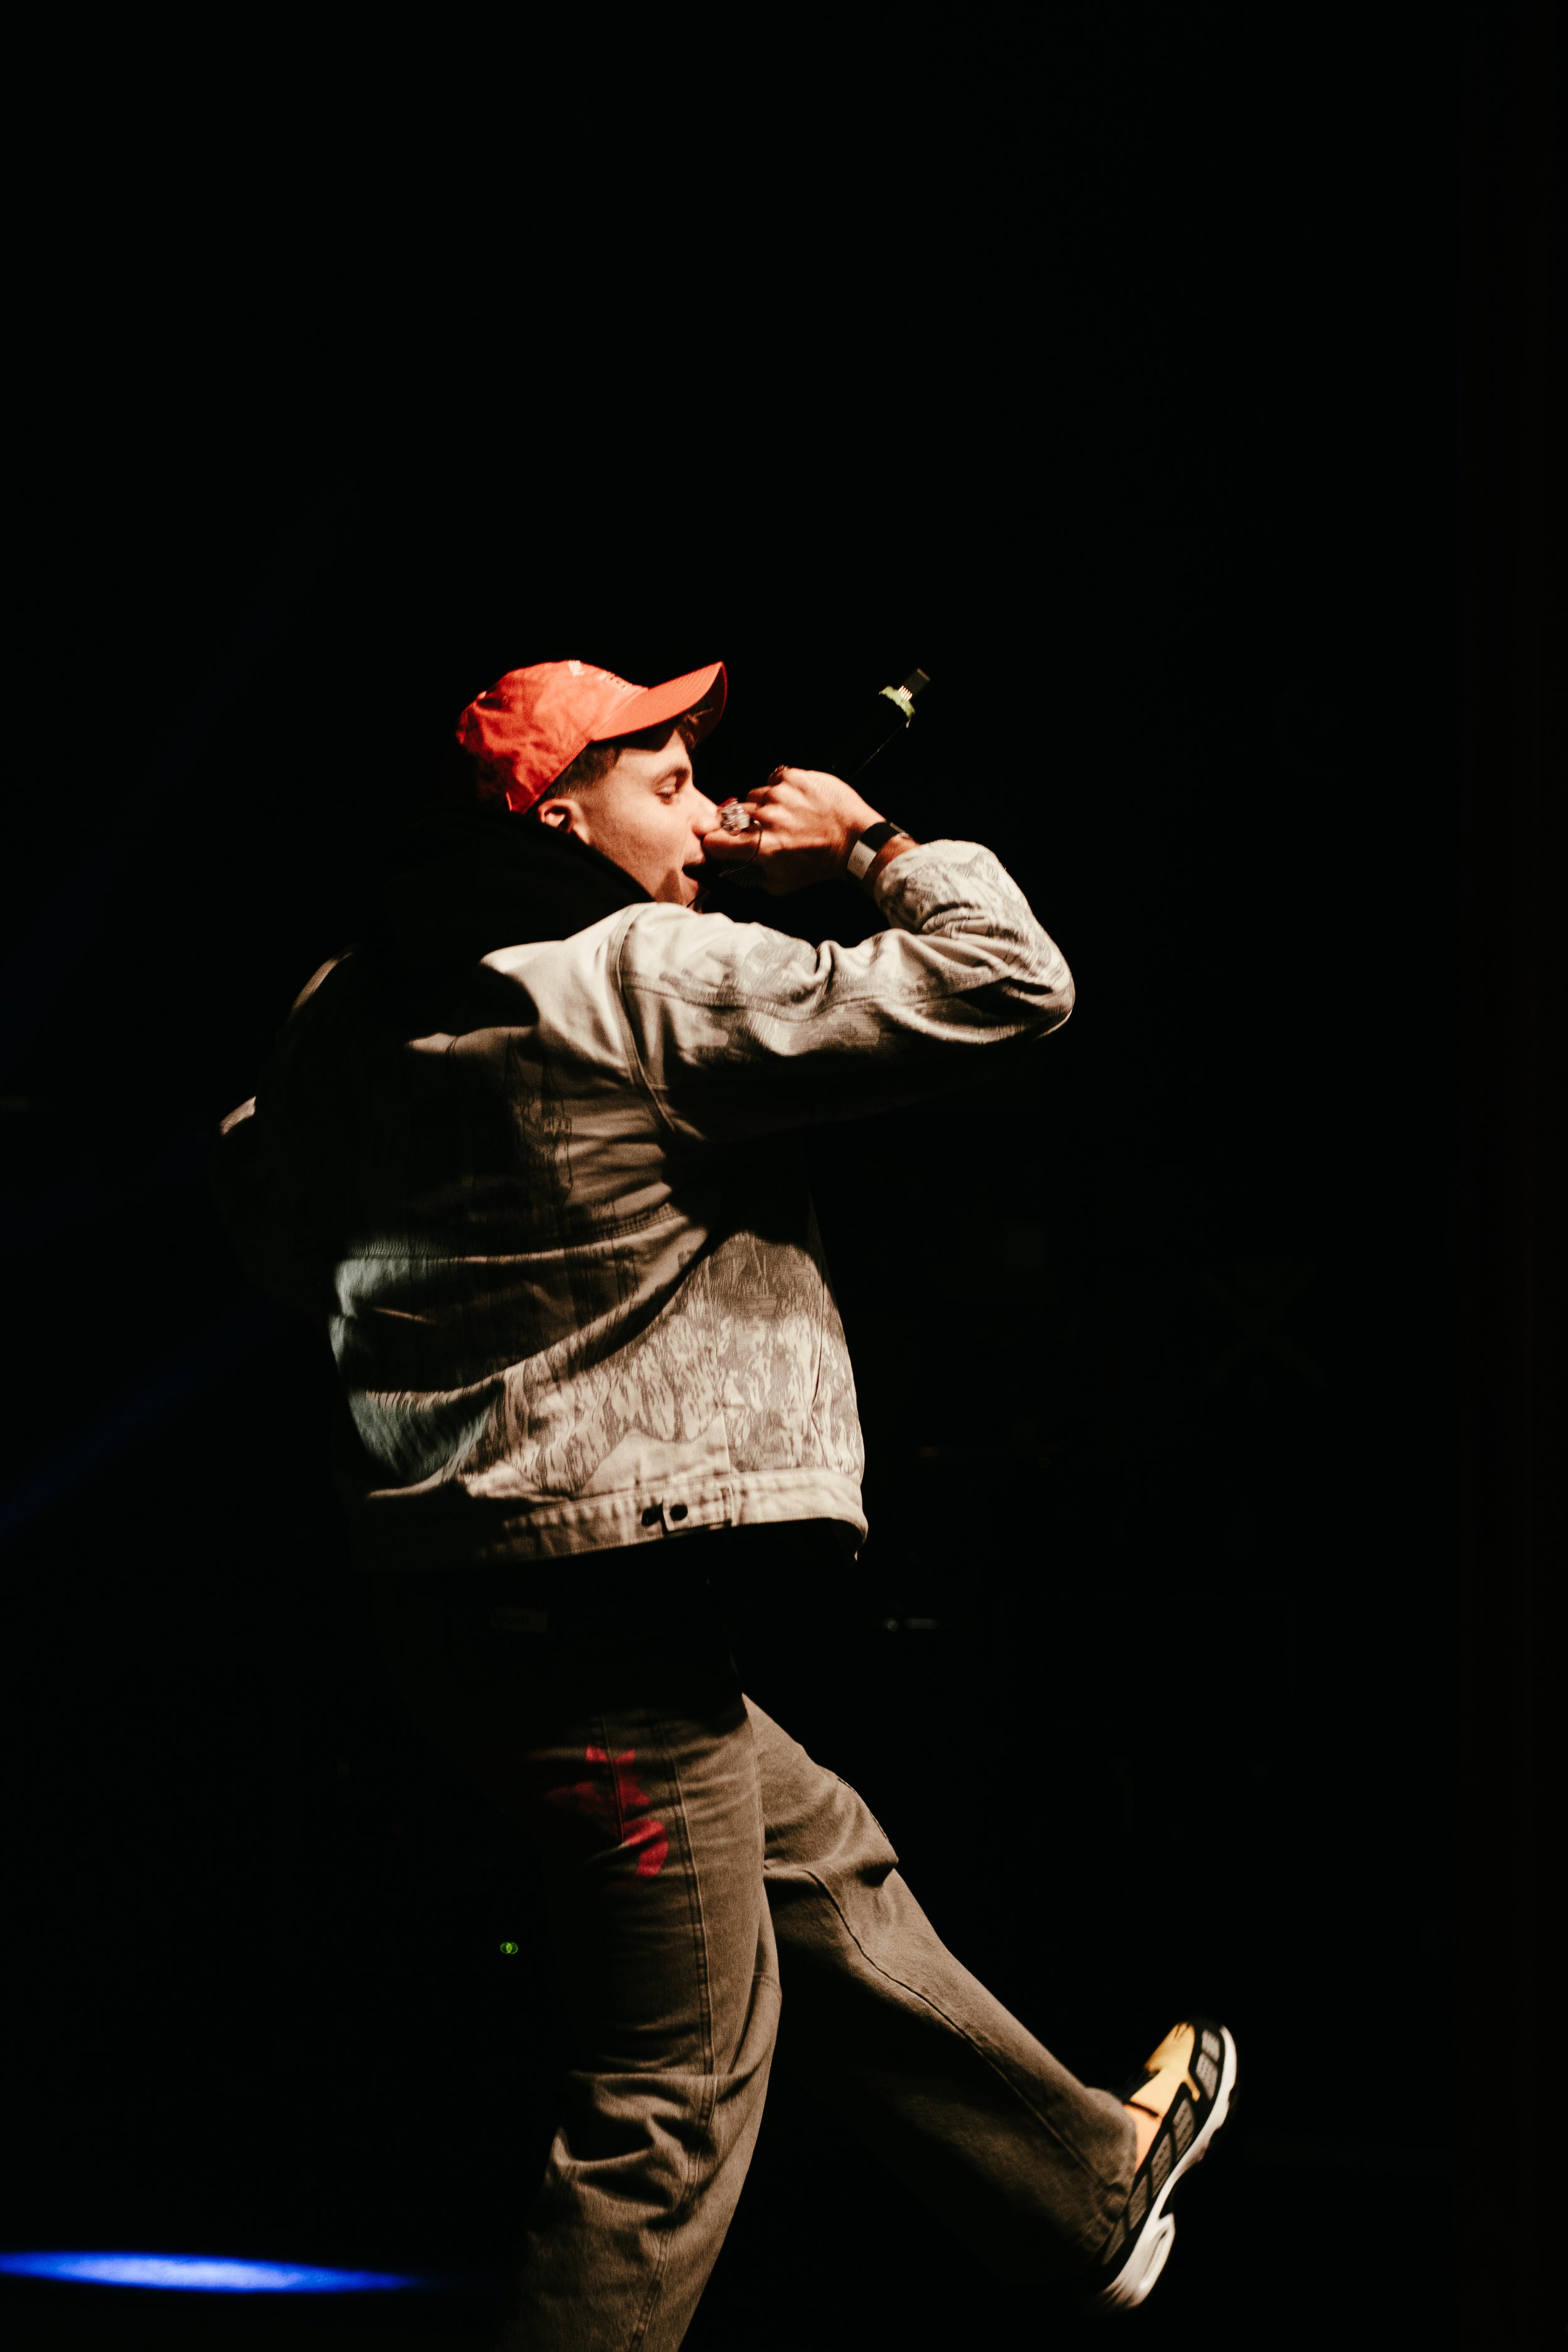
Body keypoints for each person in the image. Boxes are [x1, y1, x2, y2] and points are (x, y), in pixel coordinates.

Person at [213, 656, 1236, 2348]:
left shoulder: (341, 1007)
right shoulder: (639, 977)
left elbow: (256, 1203)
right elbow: (1008, 984)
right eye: (667, 780)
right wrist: (870, 845)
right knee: (666, 2101)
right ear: (561, 809)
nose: (704, 808)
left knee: (814, 1861)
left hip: (445, 1600)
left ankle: (1077, 2191)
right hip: (607, 1613)